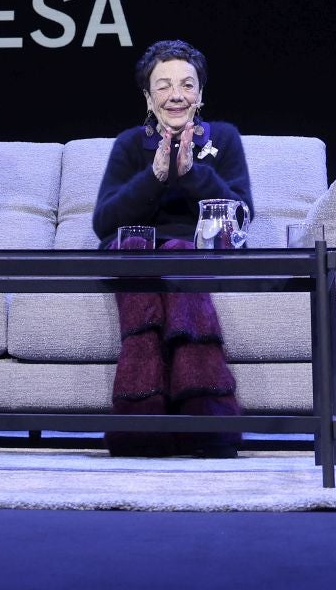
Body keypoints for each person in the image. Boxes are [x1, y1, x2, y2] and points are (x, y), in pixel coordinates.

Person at [92, 39, 253, 456]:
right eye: (163, 86)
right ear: (147, 97)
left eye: (186, 84)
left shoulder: (226, 139)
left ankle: (201, 421)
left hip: (195, 251)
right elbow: (103, 223)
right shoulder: (130, 144)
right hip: (136, 253)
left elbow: (241, 216)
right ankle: (150, 423)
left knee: (181, 251)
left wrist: (193, 173)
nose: (176, 95)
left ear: (201, 94)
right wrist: (154, 177)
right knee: (145, 257)